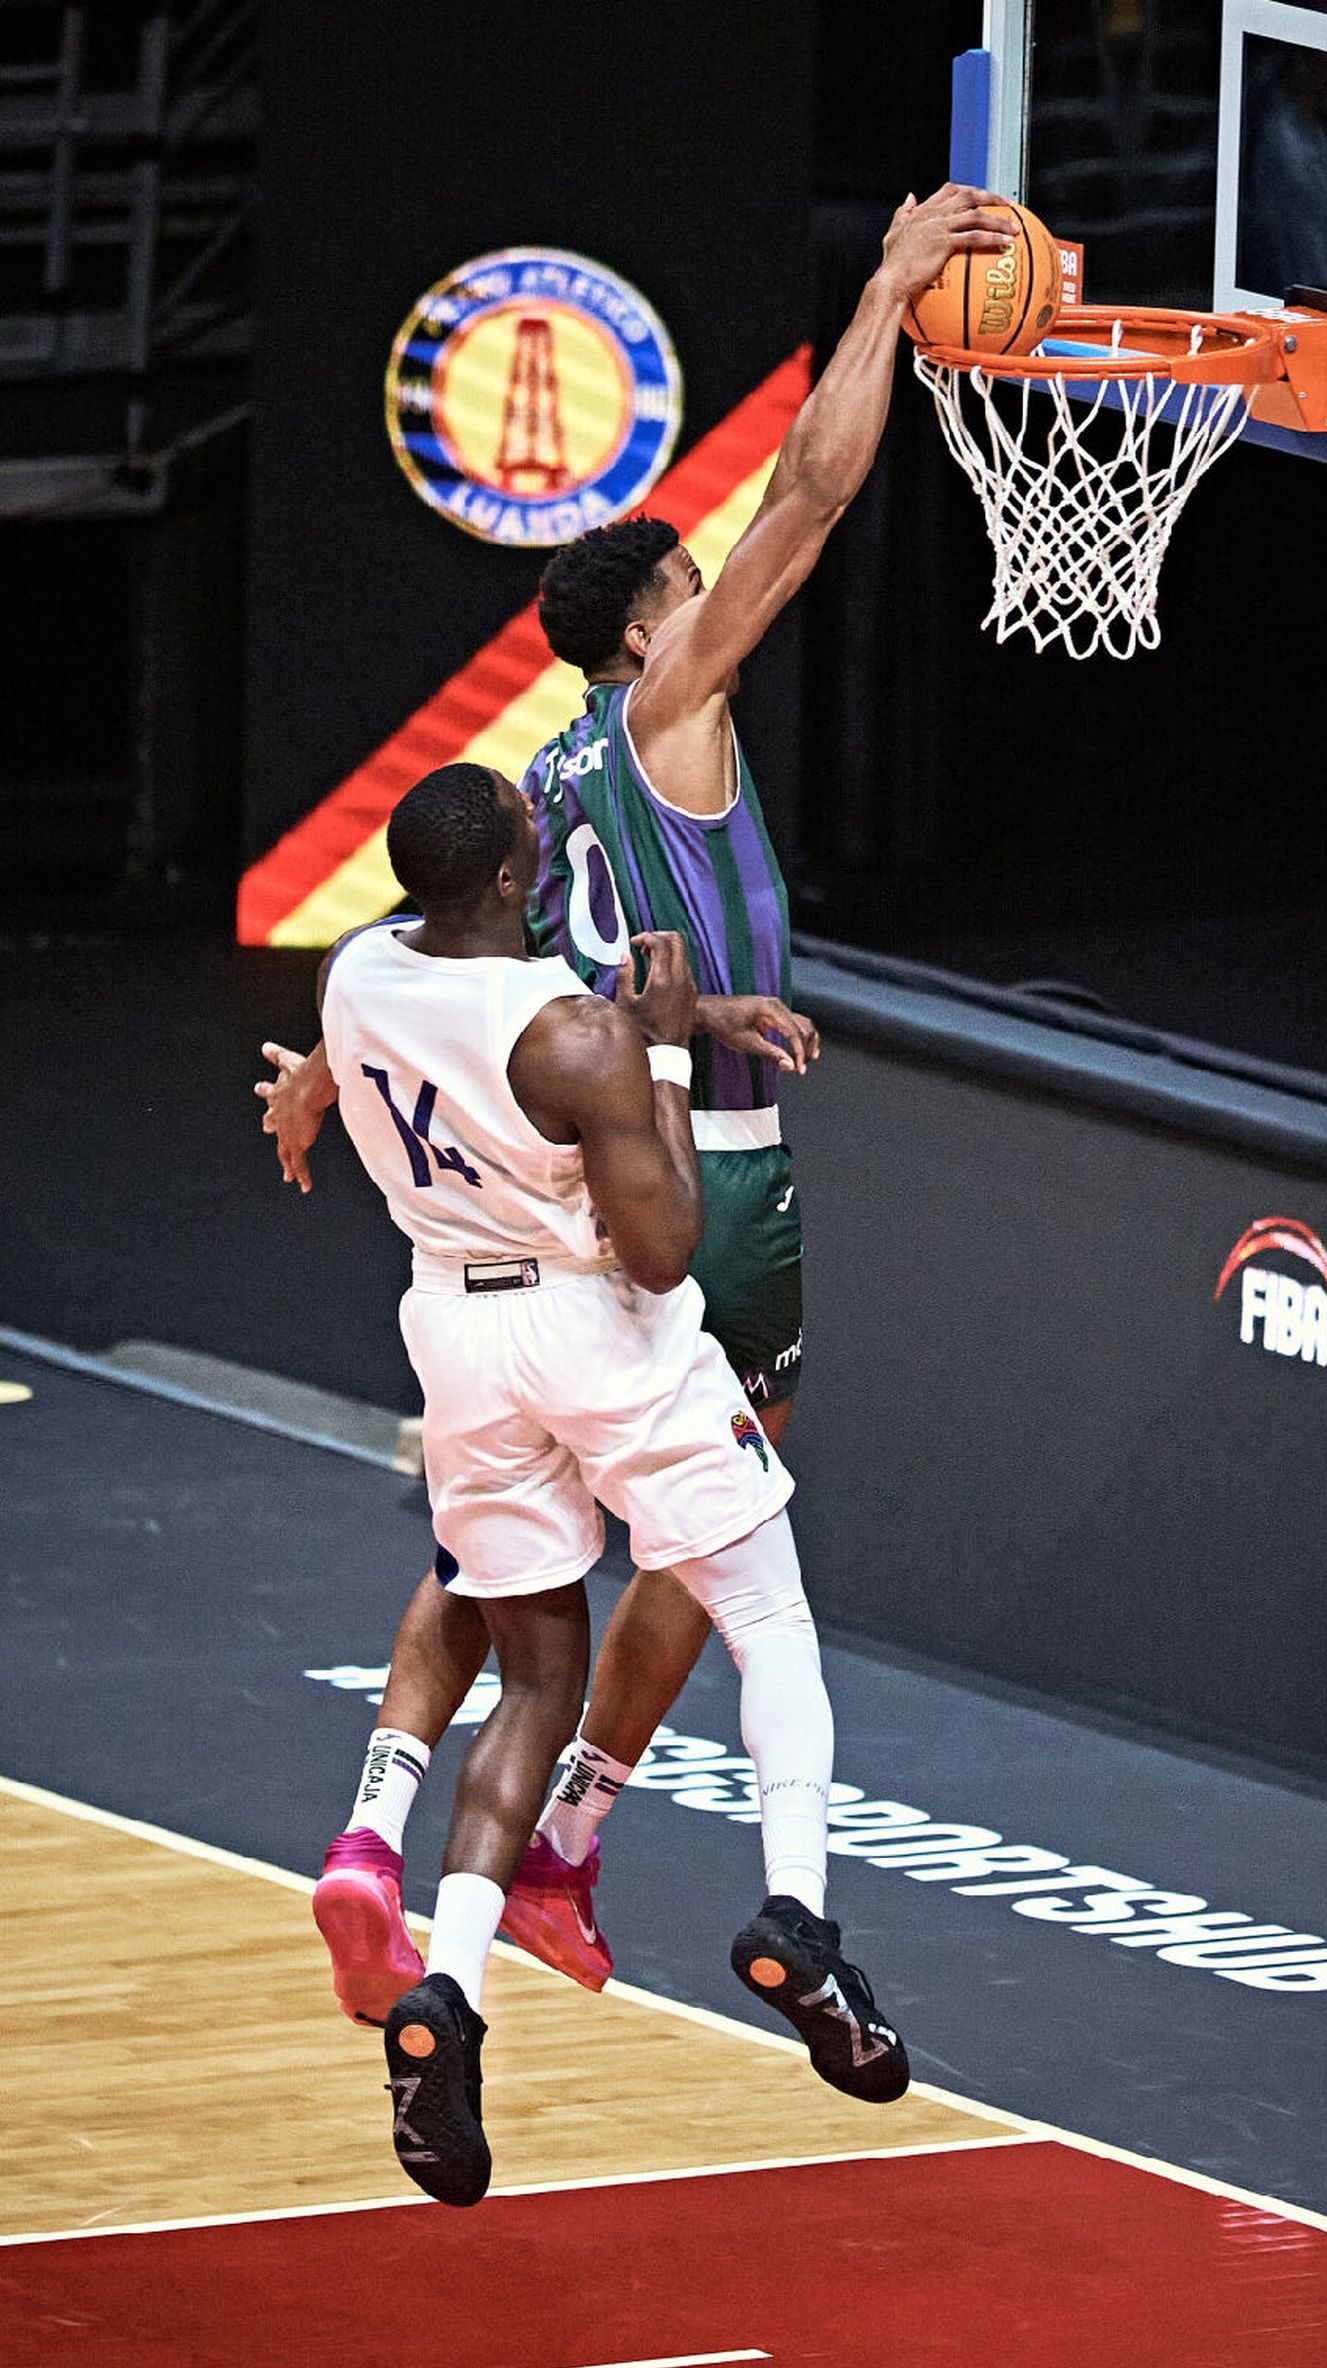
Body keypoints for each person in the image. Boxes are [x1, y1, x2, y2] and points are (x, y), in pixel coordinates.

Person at [255, 180, 1014, 2016]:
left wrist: (318, 1084)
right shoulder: (674, 708)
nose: (719, 600)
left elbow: (498, 984)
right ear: (655, 627)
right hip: (707, 1180)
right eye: (696, 588)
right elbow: (816, 498)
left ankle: (394, 1831)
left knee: (505, 1549)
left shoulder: (546, 781)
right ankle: (584, 1840)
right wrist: (891, 292)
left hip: (543, 1215)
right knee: (729, 1543)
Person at [323, 760, 909, 2206]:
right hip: (595, 1327)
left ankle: (445, 1995)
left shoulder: (353, 974)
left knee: (528, 1678)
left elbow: (354, 1064)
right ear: (522, 882)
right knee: (764, 1606)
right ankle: (802, 1914)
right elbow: (665, 1248)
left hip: (452, 1328)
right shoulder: (574, 1035)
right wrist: (662, 1052)